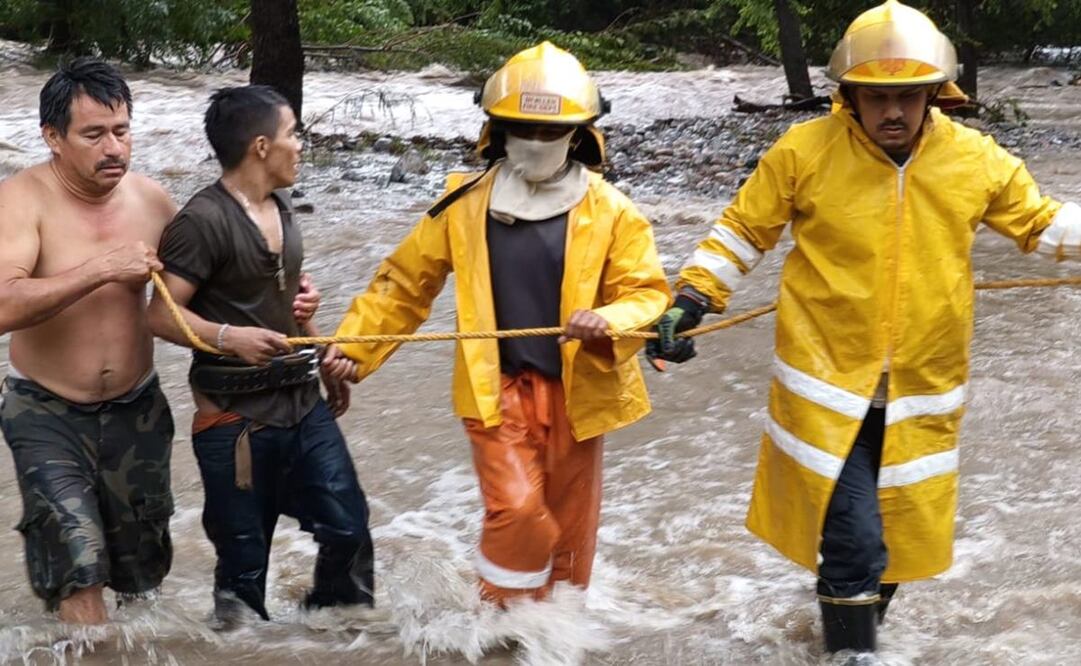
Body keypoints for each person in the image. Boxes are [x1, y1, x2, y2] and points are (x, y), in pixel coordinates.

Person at [647, 0, 1081, 657]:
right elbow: (742, 230)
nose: (893, 113)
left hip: (921, 392)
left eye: (908, 97)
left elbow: (1041, 224)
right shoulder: (804, 152)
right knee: (855, 539)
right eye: (876, 97)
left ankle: (831, 632)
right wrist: (691, 300)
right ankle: (852, 652)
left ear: (937, 94)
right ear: (847, 96)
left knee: (895, 549)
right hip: (825, 387)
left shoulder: (975, 161)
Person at [334, 42, 670, 606]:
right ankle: (499, 621)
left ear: (579, 134)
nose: (536, 143)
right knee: (517, 509)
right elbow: (404, 284)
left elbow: (647, 295)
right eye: (523, 130)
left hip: (578, 394)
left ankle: (555, 635)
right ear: (497, 130)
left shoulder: (614, 212)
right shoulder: (462, 205)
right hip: (499, 393)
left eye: (549, 132)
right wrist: (353, 348)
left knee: (568, 531)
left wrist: (607, 320)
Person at [147, 85, 374, 624]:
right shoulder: (201, 221)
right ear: (260, 146)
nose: (300, 145)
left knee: (349, 530)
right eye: (292, 134)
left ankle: (336, 639)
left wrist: (323, 352)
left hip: (304, 405)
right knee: (243, 571)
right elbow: (159, 314)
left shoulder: (281, 204)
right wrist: (230, 337)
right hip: (236, 422)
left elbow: (289, 299)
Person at [0, 58, 177, 625]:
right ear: (52, 137)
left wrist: (291, 298)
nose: (114, 149)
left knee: (142, 581)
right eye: (94, 134)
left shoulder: (153, 203)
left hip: (137, 408)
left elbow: (205, 296)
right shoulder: (21, 201)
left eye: (122, 131)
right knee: (78, 569)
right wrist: (100, 269)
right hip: (47, 412)